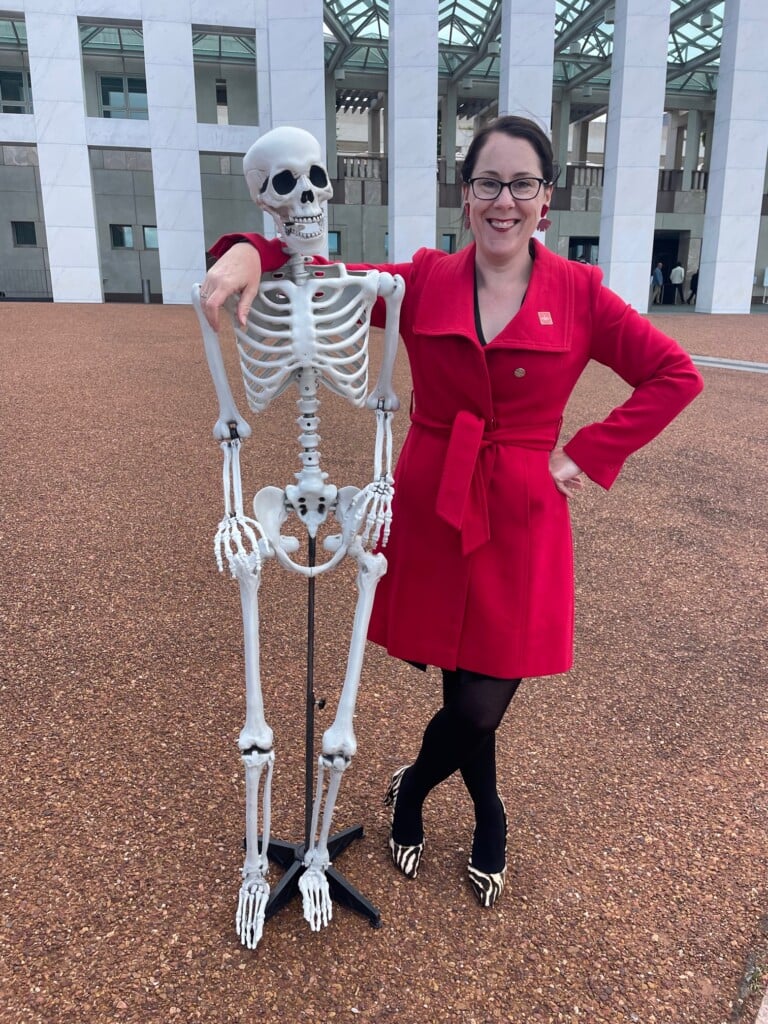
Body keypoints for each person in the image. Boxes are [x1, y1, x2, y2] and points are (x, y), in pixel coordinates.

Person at [199, 115, 703, 909]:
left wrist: (588, 451)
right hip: (435, 501)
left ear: (547, 198)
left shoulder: (580, 294)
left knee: (481, 698)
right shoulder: (425, 279)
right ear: (465, 196)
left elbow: (674, 375)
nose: (505, 201)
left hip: (522, 516)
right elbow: (316, 274)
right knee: (461, 687)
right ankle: (471, 804)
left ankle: (424, 793)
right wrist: (242, 248)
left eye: (522, 184)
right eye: (488, 183)